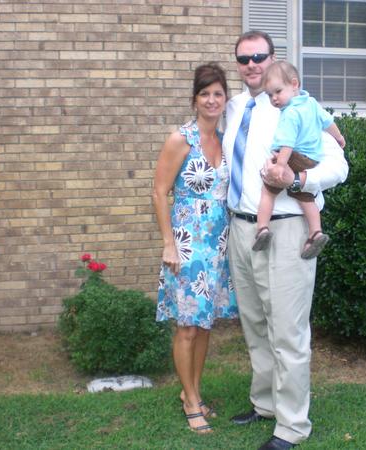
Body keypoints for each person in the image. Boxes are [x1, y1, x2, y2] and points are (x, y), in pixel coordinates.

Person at [223, 31, 348, 449]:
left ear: (273, 59)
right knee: (255, 324)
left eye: (259, 56)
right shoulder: (234, 108)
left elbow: (338, 165)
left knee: (288, 331)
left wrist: (297, 179)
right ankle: (265, 404)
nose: (252, 64)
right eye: (243, 58)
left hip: (288, 227)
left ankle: (291, 426)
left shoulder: (298, 105)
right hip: (243, 227)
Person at [153, 62, 238, 434]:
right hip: (186, 245)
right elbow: (159, 192)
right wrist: (168, 244)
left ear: (225, 99)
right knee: (187, 327)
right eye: (205, 94)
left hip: (217, 244)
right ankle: (189, 401)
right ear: (195, 99)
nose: (212, 100)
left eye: (218, 93)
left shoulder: (225, 140)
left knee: (204, 327)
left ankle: (194, 392)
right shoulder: (180, 139)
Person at [254, 60, 346, 258]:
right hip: (311, 160)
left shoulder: (289, 113)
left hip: (292, 157)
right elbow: (328, 122)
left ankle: (262, 229)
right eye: (269, 95)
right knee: (305, 196)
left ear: (294, 84)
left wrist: (280, 165)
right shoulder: (311, 103)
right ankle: (316, 232)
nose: (274, 98)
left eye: (278, 92)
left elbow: (287, 143)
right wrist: (339, 137)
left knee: (267, 192)